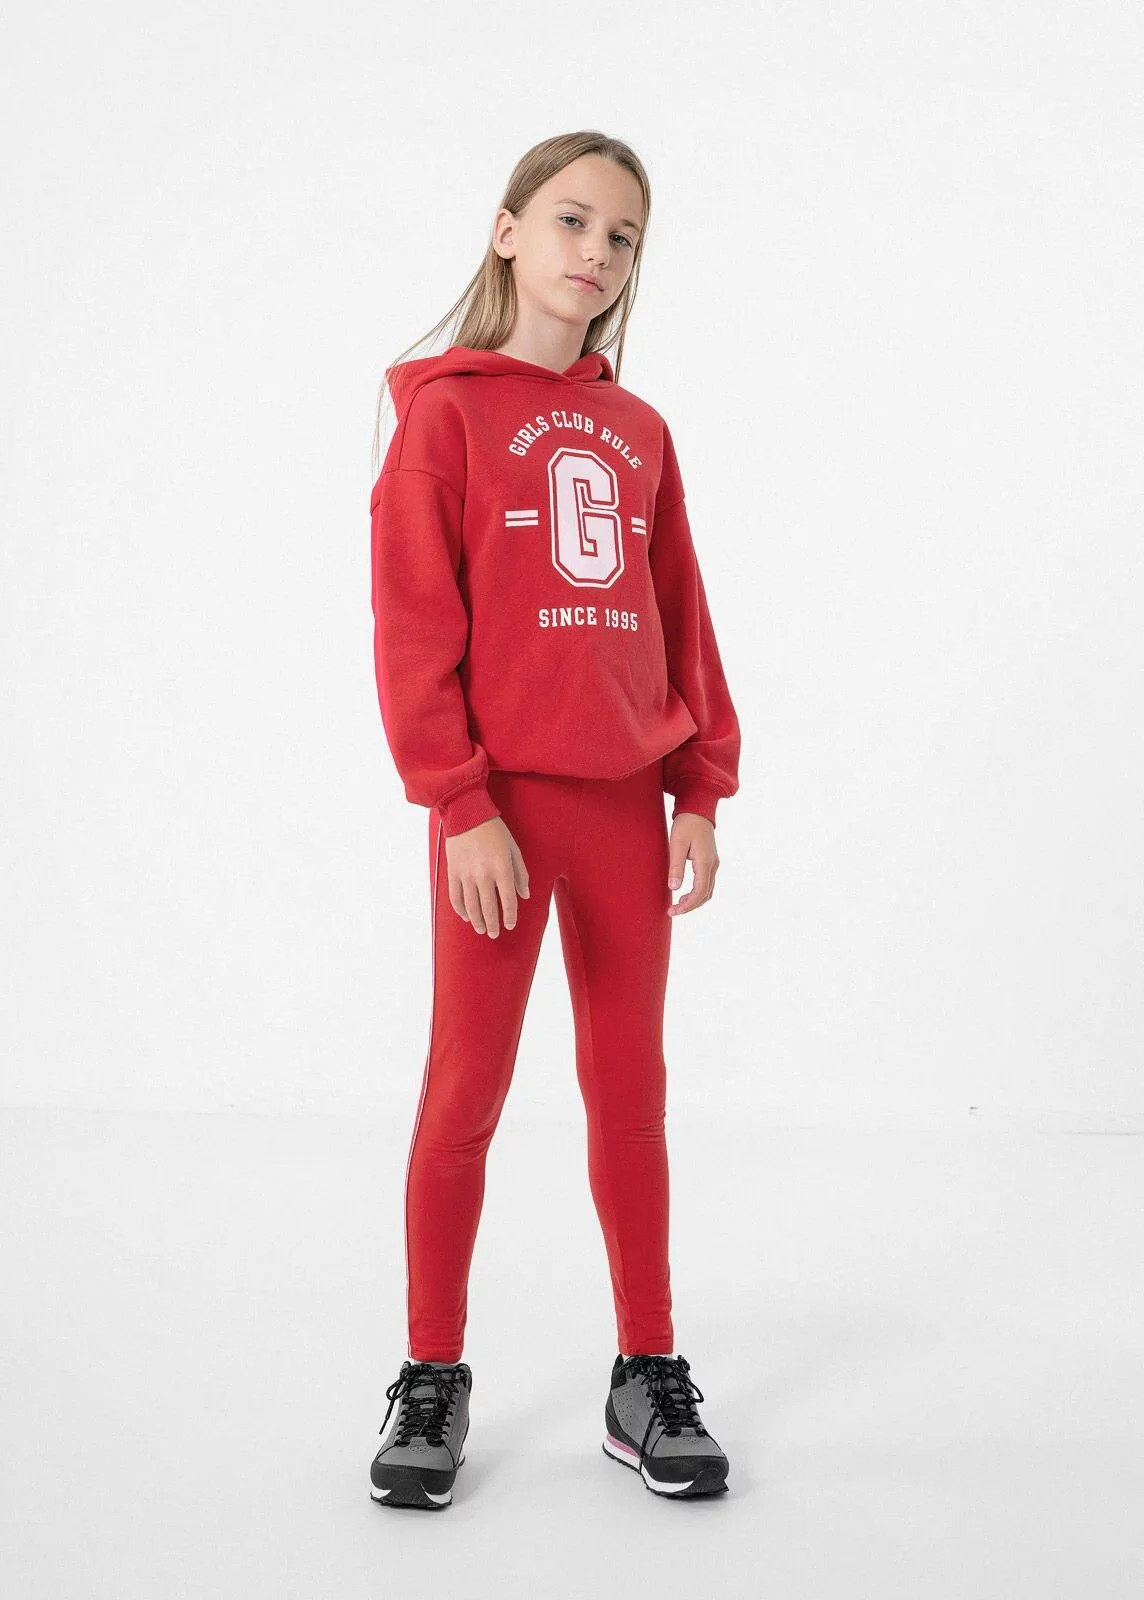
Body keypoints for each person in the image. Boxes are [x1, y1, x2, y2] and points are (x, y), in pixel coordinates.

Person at [367, 130, 741, 1510]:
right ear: (509, 229)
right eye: (573, 220)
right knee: (465, 1090)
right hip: (501, 819)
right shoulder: (445, 419)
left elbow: (677, 612)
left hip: (627, 811)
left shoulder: (642, 434)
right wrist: (460, 801)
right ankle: (430, 1373)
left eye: (622, 235)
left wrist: (699, 784)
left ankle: (647, 1370)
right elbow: (415, 625)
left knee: (629, 1093)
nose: (596, 252)